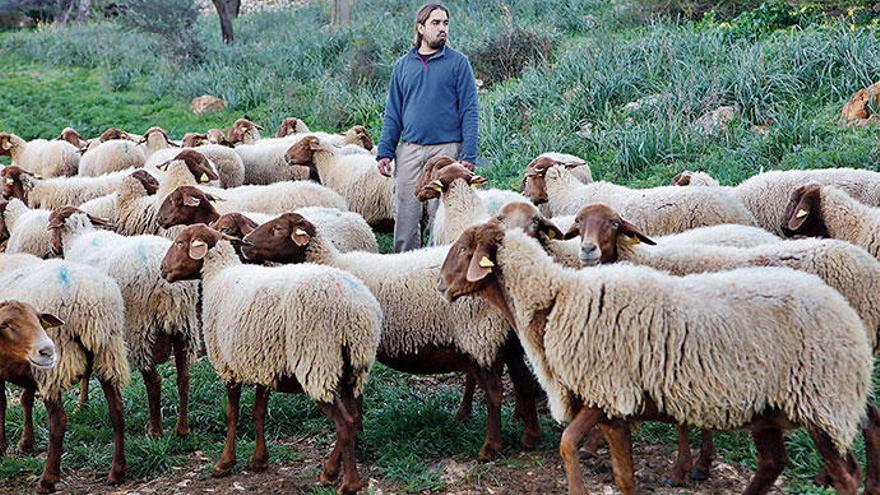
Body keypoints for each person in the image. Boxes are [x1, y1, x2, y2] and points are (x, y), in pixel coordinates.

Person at [375, 3, 479, 252]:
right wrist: (385, 151)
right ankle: (403, 271)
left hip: (446, 152)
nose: (442, 28)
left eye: (445, 23)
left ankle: (438, 268)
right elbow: (393, 112)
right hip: (410, 150)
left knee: (441, 215)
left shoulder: (458, 63)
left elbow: (470, 110)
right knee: (406, 214)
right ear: (421, 28)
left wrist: (468, 155)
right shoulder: (403, 66)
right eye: (436, 23)